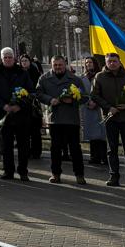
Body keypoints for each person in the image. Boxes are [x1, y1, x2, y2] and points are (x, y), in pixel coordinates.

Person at [91, 53, 125, 187]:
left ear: (119, 62)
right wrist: (108, 108)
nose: (112, 63)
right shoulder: (100, 77)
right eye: (110, 61)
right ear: (106, 63)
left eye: (114, 61)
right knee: (111, 149)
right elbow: (95, 95)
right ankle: (114, 176)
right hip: (110, 118)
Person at [37, 55, 87, 185]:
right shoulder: (44, 79)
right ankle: (56, 174)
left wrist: (74, 99)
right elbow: (38, 94)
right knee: (55, 148)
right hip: (55, 119)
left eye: (60, 65)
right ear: (52, 65)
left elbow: (85, 96)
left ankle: (79, 175)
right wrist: (49, 100)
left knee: (75, 148)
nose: (58, 67)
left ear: (65, 64)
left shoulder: (74, 79)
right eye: (55, 65)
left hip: (71, 119)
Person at [0, 47, 33, 181]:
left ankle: (23, 171)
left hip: (21, 113)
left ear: (14, 58)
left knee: (23, 145)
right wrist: (3, 105)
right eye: (5, 57)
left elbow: (30, 91)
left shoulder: (22, 72)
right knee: (5, 145)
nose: (7, 59)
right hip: (4, 114)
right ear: (1, 59)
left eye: (10, 57)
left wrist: (20, 105)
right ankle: (8, 171)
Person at [80, 56, 107, 165]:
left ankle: (104, 156)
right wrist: (87, 102)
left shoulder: (101, 76)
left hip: (100, 108)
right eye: (86, 63)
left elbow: (105, 92)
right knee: (92, 134)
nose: (88, 64)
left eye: (90, 62)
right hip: (88, 109)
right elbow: (80, 93)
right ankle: (94, 156)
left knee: (102, 134)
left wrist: (96, 102)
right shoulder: (83, 78)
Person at [20, 53, 44, 159]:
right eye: (22, 61)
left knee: (35, 129)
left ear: (30, 62)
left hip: (34, 104)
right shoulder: (18, 73)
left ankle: (36, 151)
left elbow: (38, 88)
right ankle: (26, 150)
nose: (24, 63)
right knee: (24, 130)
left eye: (26, 60)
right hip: (22, 103)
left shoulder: (34, 72)